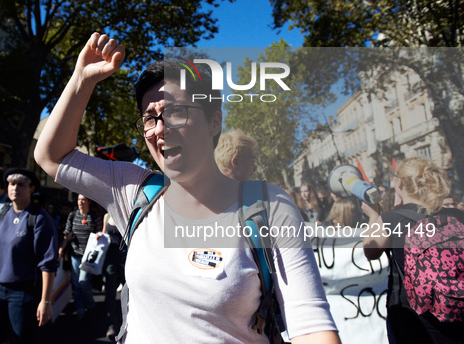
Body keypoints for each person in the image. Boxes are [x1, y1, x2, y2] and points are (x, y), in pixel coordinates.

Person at [34, 32, 339, 343]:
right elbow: (51, 156)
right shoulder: (134, 192)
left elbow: (312, 328)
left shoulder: (270, 208)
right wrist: (82, 79)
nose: (160, 130)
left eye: (176, 112)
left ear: (214, 122)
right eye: (149, 119)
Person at [362, 157, 462, 344]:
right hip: (458, 312)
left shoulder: (391, 219)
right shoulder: (457, 216)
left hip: (414, 319)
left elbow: (370, 251)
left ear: (399, 183)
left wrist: (373, 215)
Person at [0, 168, 59, 344]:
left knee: (19, 339)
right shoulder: (2, 214)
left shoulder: (39, 218)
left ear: (31, 189)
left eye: (21, 184)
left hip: (22, 293)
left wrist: (45, 301)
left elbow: (48, 263)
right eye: (12, 184)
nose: (15, 188)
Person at [58, 194, 102, 320]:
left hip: (88, 257)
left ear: (88, 201)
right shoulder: (72, 215)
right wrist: (61, 249)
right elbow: (66, 234)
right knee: (76, 285)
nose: (80, 202)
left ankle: (90, 305)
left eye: (83, 200)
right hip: (74, 255)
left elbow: (100, 233)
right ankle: (80, 310)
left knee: (83, 283)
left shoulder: (95, 217)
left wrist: (99, 236)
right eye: (78, 199)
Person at [99, 212, 127, 339]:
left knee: (128, 293)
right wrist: (100, 236)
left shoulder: (125, 213)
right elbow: (105, 233)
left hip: (124, 257)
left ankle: (127, 323)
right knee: (110, 292)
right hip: (110, 257)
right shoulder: (107, 216)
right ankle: (111, 325)